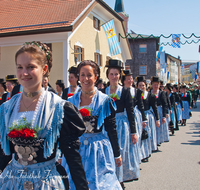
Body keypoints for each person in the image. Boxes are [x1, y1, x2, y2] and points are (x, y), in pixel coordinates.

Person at [0, 41, 89, 190]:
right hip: (12, 181)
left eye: (31, 67)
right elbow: (5, 152)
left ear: (44, 69)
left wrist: (82, 186)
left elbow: (71, 155)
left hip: (46, 182)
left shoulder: (58, 107)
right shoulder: (7, 108)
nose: (24, 73)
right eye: (20, 67)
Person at [61, 60, 122, 190]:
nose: (86, 79)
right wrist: (61, 153)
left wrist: (117, 154)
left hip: (98, 150)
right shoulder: (70, 101)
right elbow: (65, 131)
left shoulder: (105, 101)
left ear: (96, 77)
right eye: (82, 75)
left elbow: (111, 128)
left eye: (89, 75)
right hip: (75, 150)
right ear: (78, 77)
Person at [102, 60, 138, 189]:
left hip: (122, 125)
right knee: (108, 151)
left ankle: (120, 179)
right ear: (108, 75)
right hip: (106, 126)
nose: (114, 77)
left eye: (116, 74)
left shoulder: (125, 91)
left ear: (119, 76)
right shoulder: (102, 91)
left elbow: (130, 112)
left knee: (120, 151)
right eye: (111, 74)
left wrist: (133, 132)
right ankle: (109, 177)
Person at [122, 70, 147, 164]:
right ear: (124, 81)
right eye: (128, 79)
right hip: (123, 117)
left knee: (135, 138)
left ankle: (135, 159)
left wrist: (144, 119)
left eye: (131, 78)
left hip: (135, 116)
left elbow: (141, 106)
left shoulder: (136, 91)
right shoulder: (121, 91)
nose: (130, 80)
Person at [137, 76, 160, 159]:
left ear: (146, 86)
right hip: (139, 117)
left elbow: (155, 107)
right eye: (140, 85)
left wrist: (157, 119)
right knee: (141, 136)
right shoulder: (136, 95)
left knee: (148, 135)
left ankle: (147, 152)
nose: (141, 87)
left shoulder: (150, 96)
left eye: (143, 85)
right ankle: (141, 154)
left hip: (148, 117)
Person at [151, 77, 168, 146]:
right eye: (154, 84)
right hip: (151, 111)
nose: (156, 86)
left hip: (159, 111)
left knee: (158, 128)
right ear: (151, 85)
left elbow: (165, 104)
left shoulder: (161, 93)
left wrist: (164, 115)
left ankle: (157, 141)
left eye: (157, 85)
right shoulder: (149, 93)